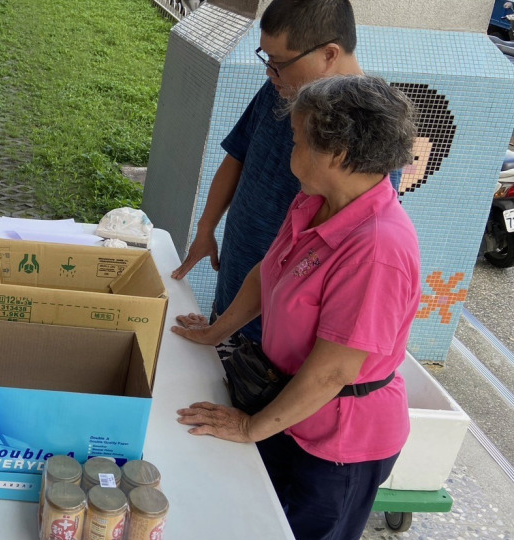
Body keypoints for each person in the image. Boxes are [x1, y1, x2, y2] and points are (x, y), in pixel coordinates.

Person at [172, 75, 421, 540]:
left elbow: (333, 371)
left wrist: (250, 428)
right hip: (285, 407)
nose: (291, 151)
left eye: (298, 141)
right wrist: (214, 332)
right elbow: (269, 273)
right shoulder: (314, 200)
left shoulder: (377, 248)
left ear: (337, 154)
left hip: (336, 444)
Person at [171, 0, 401, 352]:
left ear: (329, 54)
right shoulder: (282, 87)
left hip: (282, 329)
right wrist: (206, 229)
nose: (269, 73)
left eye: (278, 62)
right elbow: (238, 154)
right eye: (266, 59)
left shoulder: (365, 132)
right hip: (240, 287)